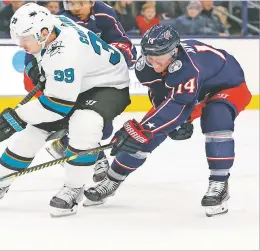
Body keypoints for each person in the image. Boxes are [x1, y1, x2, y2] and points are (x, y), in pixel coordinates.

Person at [0, 3, 131, 217]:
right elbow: (49, 72)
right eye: (18, 38)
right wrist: (37, 68)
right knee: (31, 134)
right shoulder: (52, 25)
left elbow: (57, 106)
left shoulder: (64, 54)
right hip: (82, 79)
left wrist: (13, 119)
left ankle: (73, 188)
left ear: (43, 33)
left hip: (108, 86)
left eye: (25, 39)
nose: (21, 45)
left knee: (84, 124)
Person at [83, 25, 252, 217]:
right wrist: (144, 131)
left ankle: (219, 184)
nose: (154, 63)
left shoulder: (189, 67)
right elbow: (160, 97)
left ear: (174, 52)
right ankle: (112, 180)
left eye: (159, 56)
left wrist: (146, 129)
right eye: (149, 55)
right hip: (191, 91)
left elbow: (178, 106)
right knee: (146, 134)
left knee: (216, 117)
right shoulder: (145, 67)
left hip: (228, 86)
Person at [24, 0, 137, 184]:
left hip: (92, 77)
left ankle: (64, 144)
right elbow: (32, 52)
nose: (75, 8)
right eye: (70, 4)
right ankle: (92, 154)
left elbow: (121, 42)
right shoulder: (60, 20)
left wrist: (117, 58)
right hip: (63, 77)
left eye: (80, 3)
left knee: (104, 128)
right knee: (73, 117)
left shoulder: (104, 13)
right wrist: (35, 71)